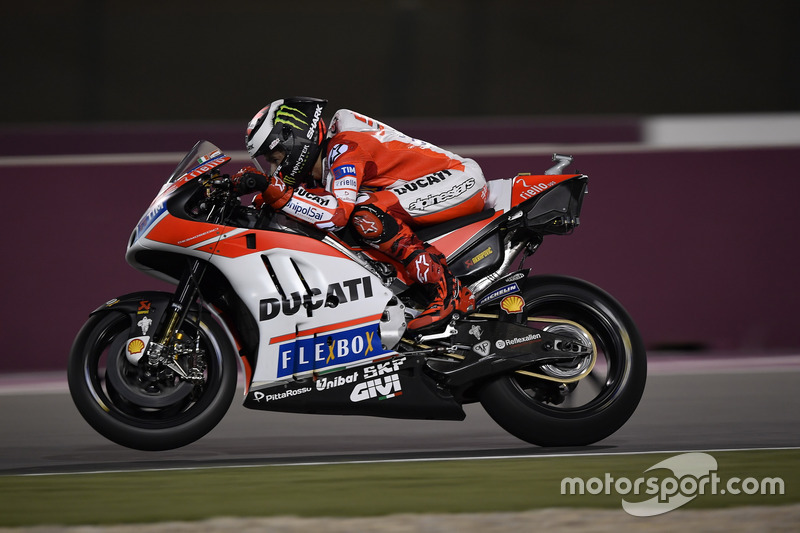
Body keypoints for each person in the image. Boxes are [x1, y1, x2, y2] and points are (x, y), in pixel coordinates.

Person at [233, 97, 488, 334]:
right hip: (436, 185)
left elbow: (336, 215)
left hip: (461, 180)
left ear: (294, 141)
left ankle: (448, 291)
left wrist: (274, 190)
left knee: (365, 214)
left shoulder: (344, 147)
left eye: (275, 159)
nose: (274, 169)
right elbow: (302, 202)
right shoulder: (322, 162)